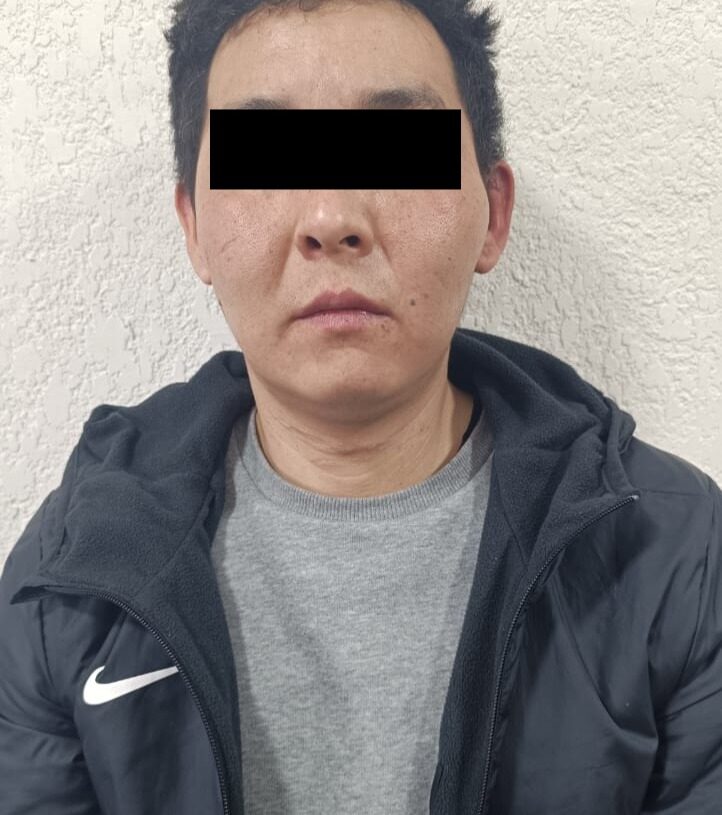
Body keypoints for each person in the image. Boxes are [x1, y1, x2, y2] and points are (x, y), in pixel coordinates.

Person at [1, 1, 720, 813]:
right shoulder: (72, 577)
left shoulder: (675, 557)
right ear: (193, 226)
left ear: (492, 213)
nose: (331, 218)